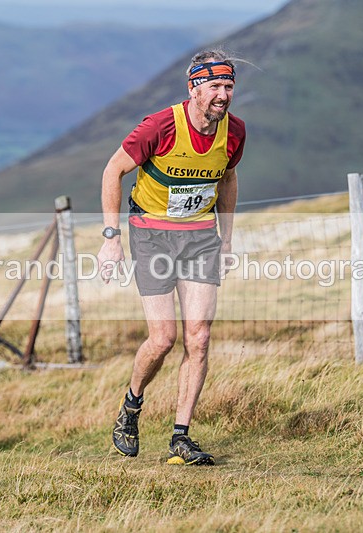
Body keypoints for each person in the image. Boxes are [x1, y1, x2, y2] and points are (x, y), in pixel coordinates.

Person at [97, 49, 246, 465]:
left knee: (198, 337)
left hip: (200, 237)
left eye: (229, 86)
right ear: (194, 88)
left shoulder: (234, 132)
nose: (223, 95)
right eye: (214, 86)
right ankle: (132, 405)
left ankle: (181, 436)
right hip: (152, 236)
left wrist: (227, 238)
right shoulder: (161, 125)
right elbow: (113, 169)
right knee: (163, 338)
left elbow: (229, 178)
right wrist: (111, 238)